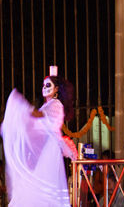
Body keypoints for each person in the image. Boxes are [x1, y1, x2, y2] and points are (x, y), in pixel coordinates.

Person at [1, 66, 77, 206]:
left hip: (49, 150)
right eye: (43, 85)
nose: (44, 88)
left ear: (56, 89)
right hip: (45, 150)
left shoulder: (56, 105)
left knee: (42, 187)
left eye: (48, 85)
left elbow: (40, 116)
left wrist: (21, 106)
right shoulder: (47, 105)